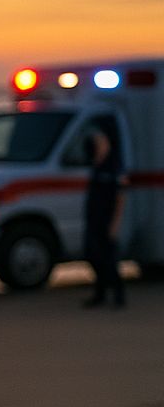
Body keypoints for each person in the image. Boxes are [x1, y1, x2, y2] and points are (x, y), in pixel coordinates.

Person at [82, 129, 127, 309]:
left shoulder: (114, 166)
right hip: (94, 219)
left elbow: (120, 196)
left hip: (108, 220)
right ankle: (100, 293)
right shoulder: (96, 165)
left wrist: (115, 223)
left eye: (101, 143)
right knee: (92, 255)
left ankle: (119, 295)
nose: (98, 146)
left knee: (109, 259)